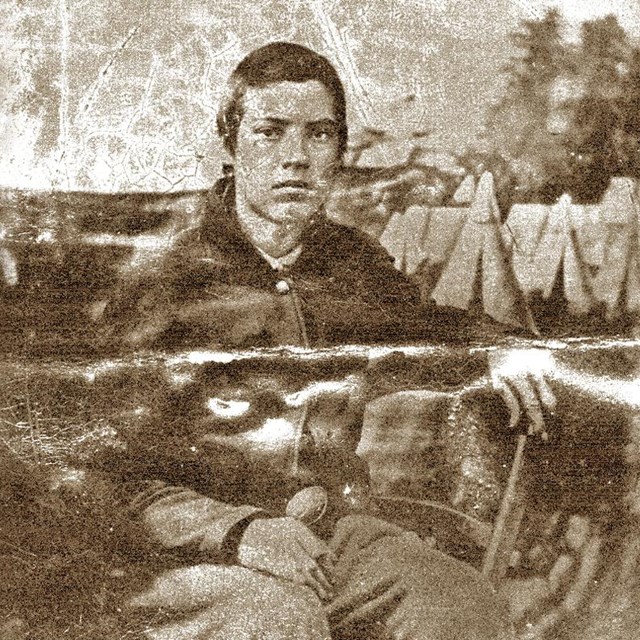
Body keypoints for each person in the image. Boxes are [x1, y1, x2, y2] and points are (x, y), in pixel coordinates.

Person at [97, 42, 518, 639]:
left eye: (319, 135)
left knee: (456, 602)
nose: (296, 157)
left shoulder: (351, 262)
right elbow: (98, 473)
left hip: (322, 534)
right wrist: (238, 530)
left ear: (339, 152)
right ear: (229, 143)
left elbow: (434, 330)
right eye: (270, 132)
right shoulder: (160, 277)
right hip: (182, 549)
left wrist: (503, 349)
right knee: (278, 619)